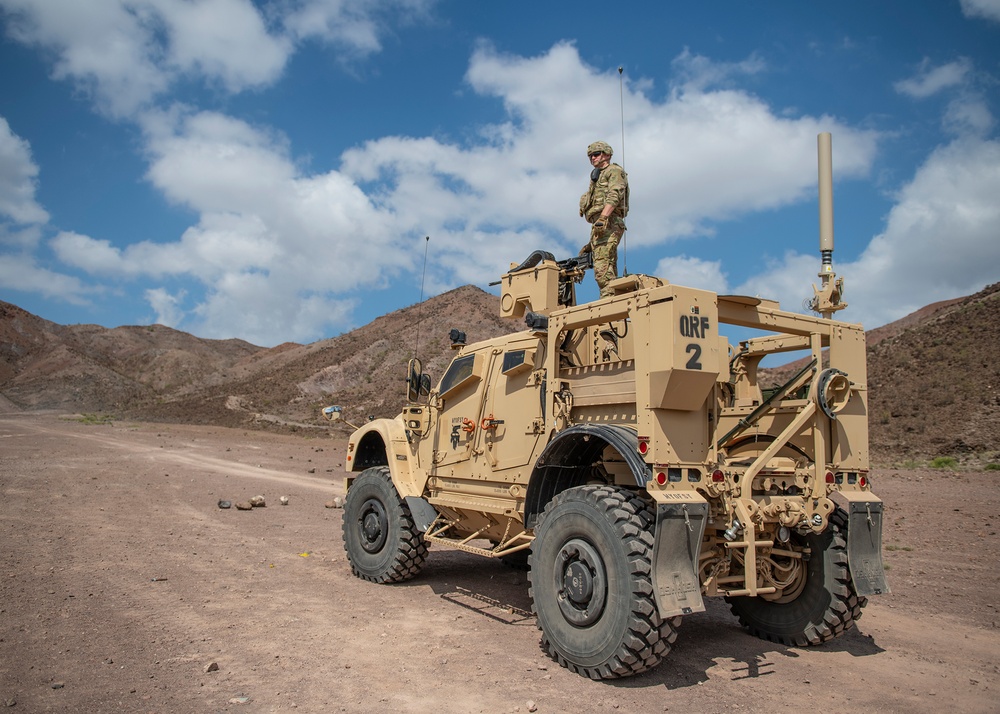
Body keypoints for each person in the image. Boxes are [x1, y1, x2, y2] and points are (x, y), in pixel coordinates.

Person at [579, 141, 629, 297]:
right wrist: (591, 243)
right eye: (590, 156)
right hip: (601, 225)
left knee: (602, 270)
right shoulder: (596, 177)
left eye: (596, 154)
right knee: (605, 267)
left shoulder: (613, 171)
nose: (592, 158)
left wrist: (603, 217)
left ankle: (609, 304)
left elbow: (615, 194)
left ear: (607, 154)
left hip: (609, 221)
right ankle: (611, 301)